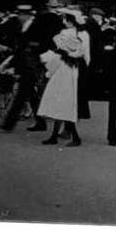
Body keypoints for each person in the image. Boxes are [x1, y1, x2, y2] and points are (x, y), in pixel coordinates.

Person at [37, 9, 86, 146]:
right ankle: (56, 136)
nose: (64, 22)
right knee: (63, 102)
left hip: (64, 69)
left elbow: (65, 50)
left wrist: (65, 54)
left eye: (66, 19)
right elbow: (79, 52)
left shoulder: (66, 34)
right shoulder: (79, 33)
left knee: (63, 101)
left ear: (70, 21)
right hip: (68, 69)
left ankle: (75, 138)